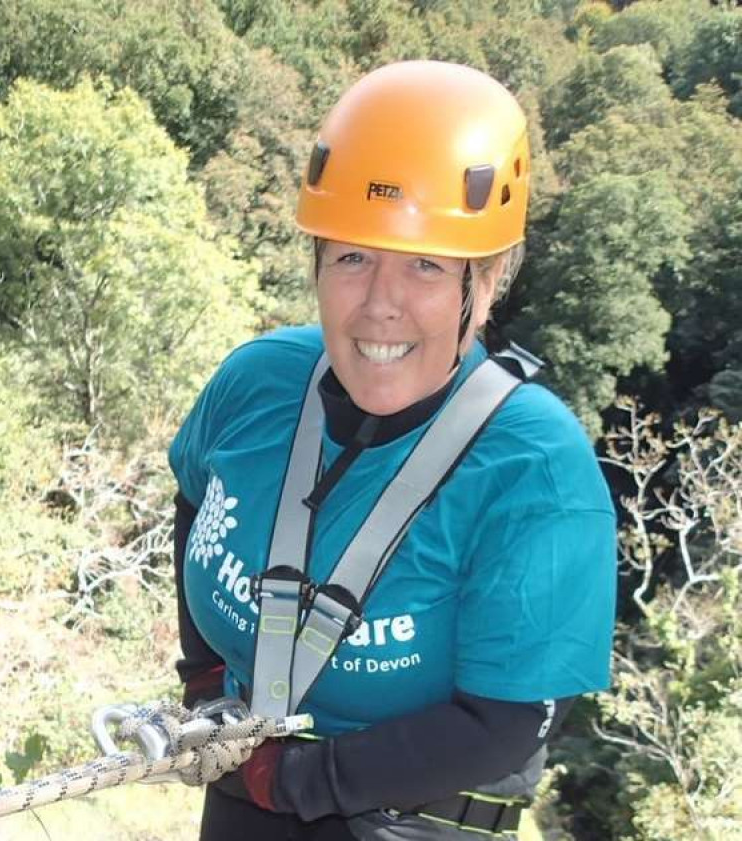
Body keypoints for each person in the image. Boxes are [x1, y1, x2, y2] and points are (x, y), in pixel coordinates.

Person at [168, 61, 616, 841]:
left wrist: (297, 778)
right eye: (352, 257)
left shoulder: (533, 472)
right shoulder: (257, 385)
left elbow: (504, 723)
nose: (380, 303)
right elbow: (192, 501)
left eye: (426, 266)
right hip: (248, 797)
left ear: (490, 279)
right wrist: (206, 681)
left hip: (413, 820)